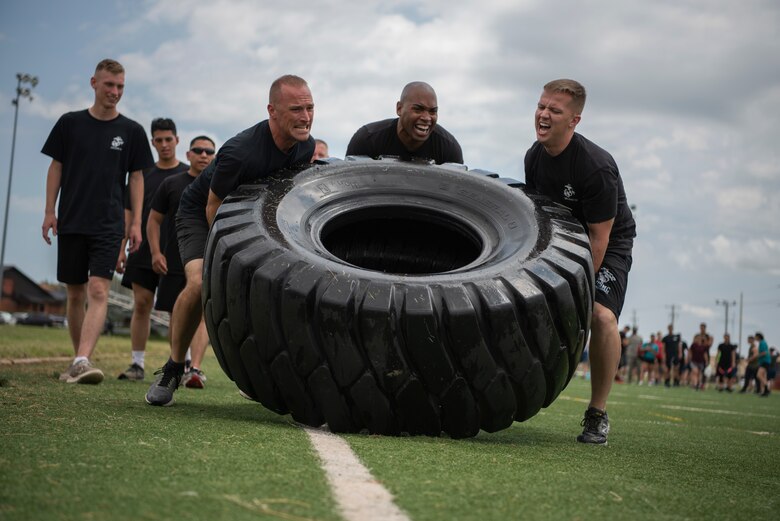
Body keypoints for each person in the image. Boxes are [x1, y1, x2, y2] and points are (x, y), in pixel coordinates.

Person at [145, 75, 315, 406]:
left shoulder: (305, 146)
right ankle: (173, 367)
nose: (306, 117)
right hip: (201, 213)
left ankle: (257, 375)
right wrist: (230, 257)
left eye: (310, 108)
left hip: (253, 218)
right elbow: (213, 206)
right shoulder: (240, 151)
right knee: (199, 282)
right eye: (296, 109)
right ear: (272, 111)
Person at [524, 79, 636, 445]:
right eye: (541, 106)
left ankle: (597, 413)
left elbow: (598, 239)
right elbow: (539, 219)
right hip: (561, 238)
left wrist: (577, 293)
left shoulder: (595, 167)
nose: (543, 114)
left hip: (608, 243)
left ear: (574, 120)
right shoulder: (534, 157)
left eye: (554, 110)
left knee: (600, 316)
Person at [41, 58, 153, 384]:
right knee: (75, 293)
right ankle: (78, 361)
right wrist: (49, 211)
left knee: (99, 289)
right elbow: (56, 168)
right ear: (94, 83)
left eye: (120, 86)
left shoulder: (132, 131)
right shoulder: (69, 123)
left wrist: (135, 223)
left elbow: (136, 179)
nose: (115, 92)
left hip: (109, 224)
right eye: (109, 85)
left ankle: (82, 359)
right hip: (72, 219)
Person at [116, 118, 189, 381]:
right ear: (152, 143)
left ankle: (180, 366)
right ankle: (137, 364)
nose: (164, 144)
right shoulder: (141, 175)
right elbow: (128, 214)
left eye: (169, 139)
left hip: (177, 252)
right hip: (142, 250)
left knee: (177, 309)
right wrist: (121, 249)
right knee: (141, 304)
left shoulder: (189, 174)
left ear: (177, 140)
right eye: (159, 140)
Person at [146, 136, 216, 388]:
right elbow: (153, 221)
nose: (204, 155)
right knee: (176, 312)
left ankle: (194, 368)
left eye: (209, 151)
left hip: (206, 256)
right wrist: (156, 252)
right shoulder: (171, 183)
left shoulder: (220, 183)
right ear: (188, 154)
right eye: (198, 150)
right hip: (174, 256)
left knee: (203, 313)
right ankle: (179, 363)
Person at [346, 81, 463, 164]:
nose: (427, 118)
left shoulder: (448, 148)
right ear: (399, 109)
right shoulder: (368, 139)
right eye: (418, 109)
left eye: (433, 111)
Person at [688, 326, 711, 391]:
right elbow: (690, 351)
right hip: (694, 361)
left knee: (700, 373)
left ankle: (699, 384)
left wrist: (707, 361)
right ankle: (695, 384)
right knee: (695, 372)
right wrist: (689, 358)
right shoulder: (693, 345)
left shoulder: (704, 346)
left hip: (701, 361)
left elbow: (705, 354)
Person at [755, 332, 771, 397]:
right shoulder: (762, 342)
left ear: (758, 337)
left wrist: (757, 356)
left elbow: (764, 352)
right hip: (764, 362)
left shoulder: (762, 343)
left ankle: (767, 389)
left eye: (755, 336)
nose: (755, 338)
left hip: (765, 362)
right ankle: (765, 391)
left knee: (759, 375)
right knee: (763, 376)